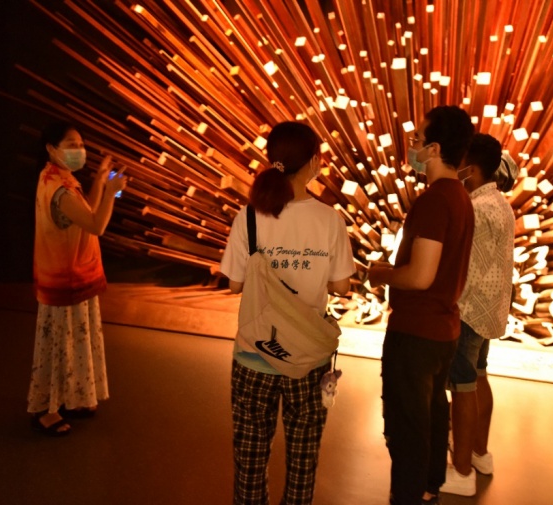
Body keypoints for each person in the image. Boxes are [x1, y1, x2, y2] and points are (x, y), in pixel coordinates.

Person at [220, 121, 356, 505]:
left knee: (250, 460)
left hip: (253, 355)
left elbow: (234, 285)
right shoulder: (330, 220)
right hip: (307, 360)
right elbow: (341, 286)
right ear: (314, 162)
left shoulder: (249, 216)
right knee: (302, 461)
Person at [368, 105, 475, 505]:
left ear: (434, 149)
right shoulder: (460, 197)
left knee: (406, 427)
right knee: (431, 415)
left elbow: (420, 276)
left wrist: (380, 273)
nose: (411, 146)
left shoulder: (435, 201)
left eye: (417, 140)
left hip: (415, 331)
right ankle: (430, 488)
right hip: (443, 330)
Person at [27, 122, 126, 436]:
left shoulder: (59, 177)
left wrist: (99, 182)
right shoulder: (59, 188)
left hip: (75, 275)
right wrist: (111, 192)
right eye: (71, 144)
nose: (79, 150)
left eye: (81, 145)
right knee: (59, 345)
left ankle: (74, 397)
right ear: (51, 148)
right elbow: (96, 225)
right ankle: (44, 409)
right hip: (64, 279)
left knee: (74, 341)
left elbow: (86, 213)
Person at [440, 135, 516, 497]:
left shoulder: (477, 208)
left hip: (468, 311)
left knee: (462, 387)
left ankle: (462, 471)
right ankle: (479, 454)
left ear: (470, 165)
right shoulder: (498, 202)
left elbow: (466, 269)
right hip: (488, 310)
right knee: (478, 377)